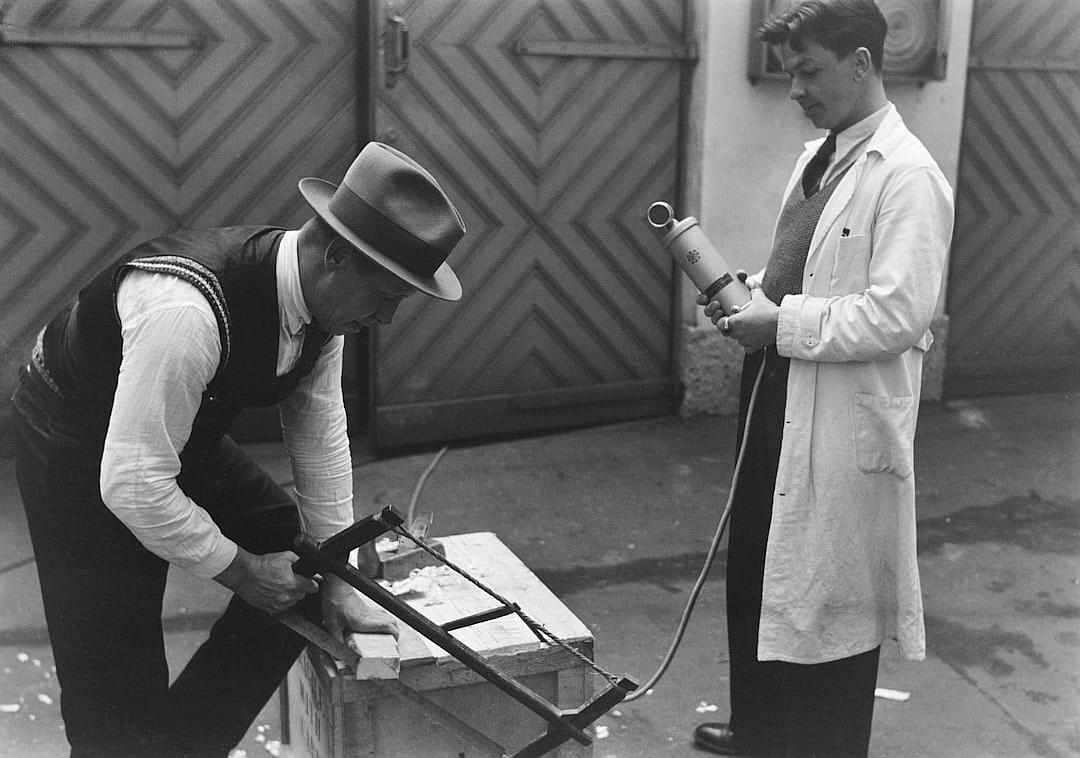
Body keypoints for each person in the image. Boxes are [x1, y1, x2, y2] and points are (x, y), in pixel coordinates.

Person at [12, 141, 467, 757]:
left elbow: (320, 427)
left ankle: (179, 748)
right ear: (335, 256)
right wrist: (242, 572)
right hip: (73, 438)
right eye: (384, 297)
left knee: (302, 560)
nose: (385, 319)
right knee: (114, 689)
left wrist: (338, 581)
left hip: (175, 426)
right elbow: (134, 483)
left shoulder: (323, 307)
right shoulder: (185, 312)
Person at [691, 2, 954, 756]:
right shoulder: (822, 156)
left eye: (809, 70)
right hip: (776, 394)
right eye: (789, 72)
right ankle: (759, 734)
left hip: (839, 420)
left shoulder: (907, 177)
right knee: (760, 580)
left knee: (827, 610)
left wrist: (783, 323)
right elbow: (809, 270)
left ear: (863, 63)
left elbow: (897, 315)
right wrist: (753, 295)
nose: (796, 88)